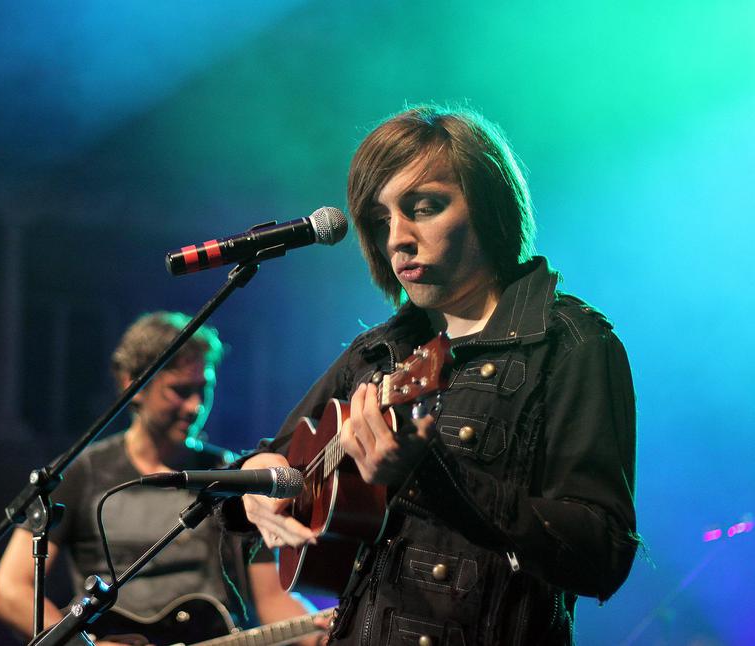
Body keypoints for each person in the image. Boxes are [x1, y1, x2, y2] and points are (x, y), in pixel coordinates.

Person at [227, 105, 639, 645]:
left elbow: (602, 553)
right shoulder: (377, 352)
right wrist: (256, 479)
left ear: (488, 205)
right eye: (380, 221)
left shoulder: (569, 343)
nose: (397, 238)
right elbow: (271, 461)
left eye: (423, 208)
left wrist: (429, 475)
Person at [0, 312, 320, 645]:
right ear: (133, 385)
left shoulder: (232, 477)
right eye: (180, 390)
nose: (195, 407)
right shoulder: (81, 472)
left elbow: (271, 599)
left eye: (203, 390)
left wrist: (325, 633)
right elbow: (10, 590)